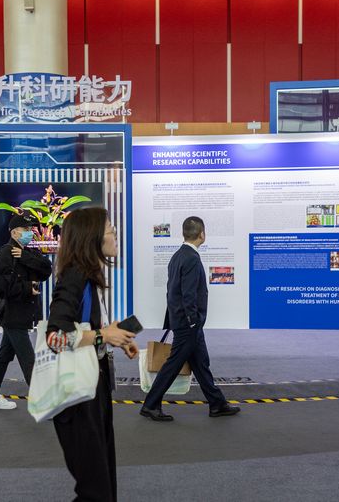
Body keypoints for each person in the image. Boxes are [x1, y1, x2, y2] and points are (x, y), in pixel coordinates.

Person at [46, 207, 138, 502]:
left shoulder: (90, 277)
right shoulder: (74, 277)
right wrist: (103, 335)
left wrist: (114, 336)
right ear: (93, 238)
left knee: (103, 485)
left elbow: (85, 327)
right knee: (95, 491)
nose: (115, 235)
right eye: (110, 230)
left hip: (93, 388)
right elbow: (55, 337)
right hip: (77, 398)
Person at [140, 216, 240, 422]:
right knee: (173, 364)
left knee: (201, 363)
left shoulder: (177, 256)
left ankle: (217, 404)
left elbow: (171, 292)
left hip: (183, 321)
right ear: (202, 234)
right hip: (188, 324)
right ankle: (150, 405)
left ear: (184, 234)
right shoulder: (192, 258)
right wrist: (193, 321)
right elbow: (188, 294)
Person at [0, 212, 53, 410]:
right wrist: (26, 288)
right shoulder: (5, 253)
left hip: (23, 313)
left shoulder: (27, 251)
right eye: (25, 229)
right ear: (14, 232)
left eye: (31, 229)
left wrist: (25, 257)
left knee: (5, 355)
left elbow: (46, 270)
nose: (30, 233)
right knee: (27, 358)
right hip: (12, 313)